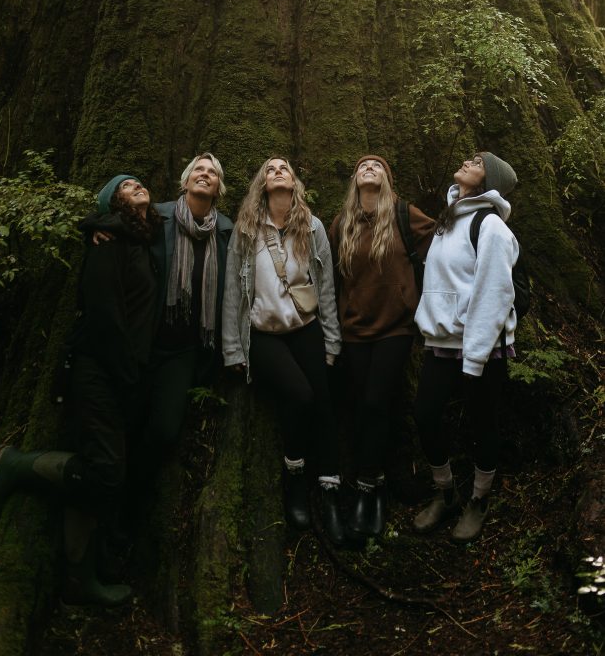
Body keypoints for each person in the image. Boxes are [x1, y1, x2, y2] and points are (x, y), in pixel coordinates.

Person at [0, 174, 161, 605]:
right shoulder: (109, 239)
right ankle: (17, 466)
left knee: (98, 467)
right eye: (125, 185)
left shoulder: (139, 238)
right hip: (100, 371)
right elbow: (102, 314)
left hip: (121, 374)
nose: (136, 184)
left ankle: (82, 578)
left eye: (138, 181)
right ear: (111, 202)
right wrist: (125, 371)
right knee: (104, 472)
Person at [222, 157, 344, 546]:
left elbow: (324, 286)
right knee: (301, 395)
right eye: (270, 168)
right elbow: (231, 292)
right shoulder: (246, 230)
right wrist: (232, 349)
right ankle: (295, 478)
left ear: (294, 182)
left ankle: (329, 491)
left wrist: (332, 337)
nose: (277, 171)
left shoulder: (312, 226)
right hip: (263, 335)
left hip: (306, 328)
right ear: (262, 181)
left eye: (284, 168)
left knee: (324, 402)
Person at [90, 153, 233, 455]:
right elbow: (120, 226)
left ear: (219, 186)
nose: (205, 174)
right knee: (122, 422)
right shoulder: (158, 217)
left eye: (212, 172)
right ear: (185, 181)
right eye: (198, 169)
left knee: (165, 430)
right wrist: (96, 229)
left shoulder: (225, 231)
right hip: (144, 340)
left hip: (182, 352)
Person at [412, 151, 519, 543]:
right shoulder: (448, 218)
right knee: (425, 414)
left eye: (478, 161)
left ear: (488, 179)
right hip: (442, 342)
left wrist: (474, 359)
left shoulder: (490, 225)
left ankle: (478, 501)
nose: (468, 161)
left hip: (482, 346)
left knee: (482, 424)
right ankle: (446, 493)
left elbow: (494, 293)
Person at [328, 155, 435, 541]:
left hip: (396, 328)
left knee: (375, 403)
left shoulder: (405, 215)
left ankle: (366, 487)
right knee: (363, 406)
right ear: (355, 179)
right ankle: (377, 484)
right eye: (362, 165)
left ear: (387, 179)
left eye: (377, 165)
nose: (368, 167)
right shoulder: (341, 225)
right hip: (355, 330)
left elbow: (442, 244)